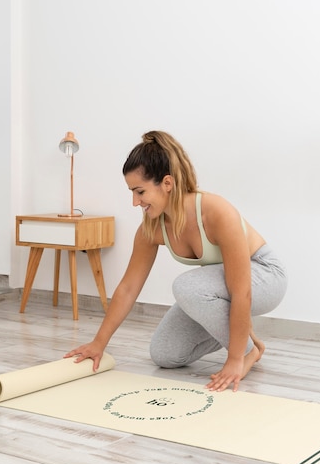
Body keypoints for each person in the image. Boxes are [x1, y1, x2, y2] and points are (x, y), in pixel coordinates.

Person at [65, 130, 287, 392]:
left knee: (186, 287)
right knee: (165, 354)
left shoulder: (216, 212)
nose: (135, 202)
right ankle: (249, 342)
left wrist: (235, 358)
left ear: (167, 183)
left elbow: (242, 290)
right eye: (131, 193)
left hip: (264, 276)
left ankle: (247, 353)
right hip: (223, 288)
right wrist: (98, 343)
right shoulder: (152, 227)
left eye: (140, 191)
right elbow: (128, 288)